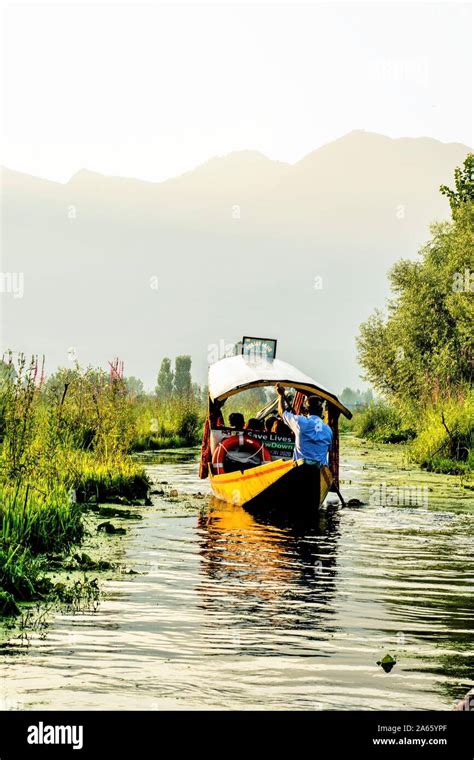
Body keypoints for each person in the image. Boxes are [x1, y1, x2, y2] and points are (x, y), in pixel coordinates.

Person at [275, 383, 333, 465]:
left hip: (300, 470)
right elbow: (329, 450)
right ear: (321, 411)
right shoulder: (328, 430)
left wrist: (281, 395)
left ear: (306, 411)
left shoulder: (299, 422)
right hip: (320, 473)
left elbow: (282, 413)